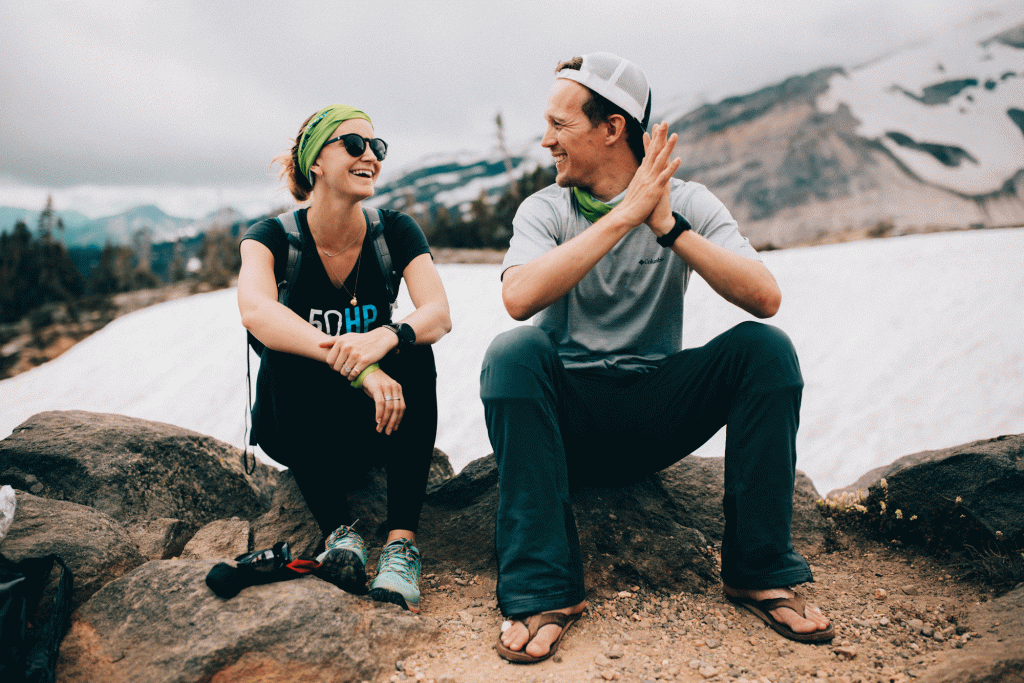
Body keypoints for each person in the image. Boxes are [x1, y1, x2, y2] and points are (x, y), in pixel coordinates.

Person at [480, 53, 833, 663]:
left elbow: (765, 297)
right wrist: (624, 217)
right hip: (568, 421)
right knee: (513, 352)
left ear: (612, 128)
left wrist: (669, 227)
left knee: (765, 351)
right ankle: (542, 587)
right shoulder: (546, 210)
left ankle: (759, 568)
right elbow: (518, 298)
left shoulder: (688, 201)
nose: (546, 140)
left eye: (560, 126)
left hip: (656, 409)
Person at [238, 104, 451, 613]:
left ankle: (401, 546)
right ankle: (342, 534)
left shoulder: (394, 232)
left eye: (376, 148)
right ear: (315, 162)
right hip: (300, 423)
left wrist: (390, 336)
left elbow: (438, 314)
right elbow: (256, 311)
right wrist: (362, 364)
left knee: (415, 352)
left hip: (374, 424)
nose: (370, 157)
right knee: (284, 352)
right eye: (353, 144)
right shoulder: (270, 239)